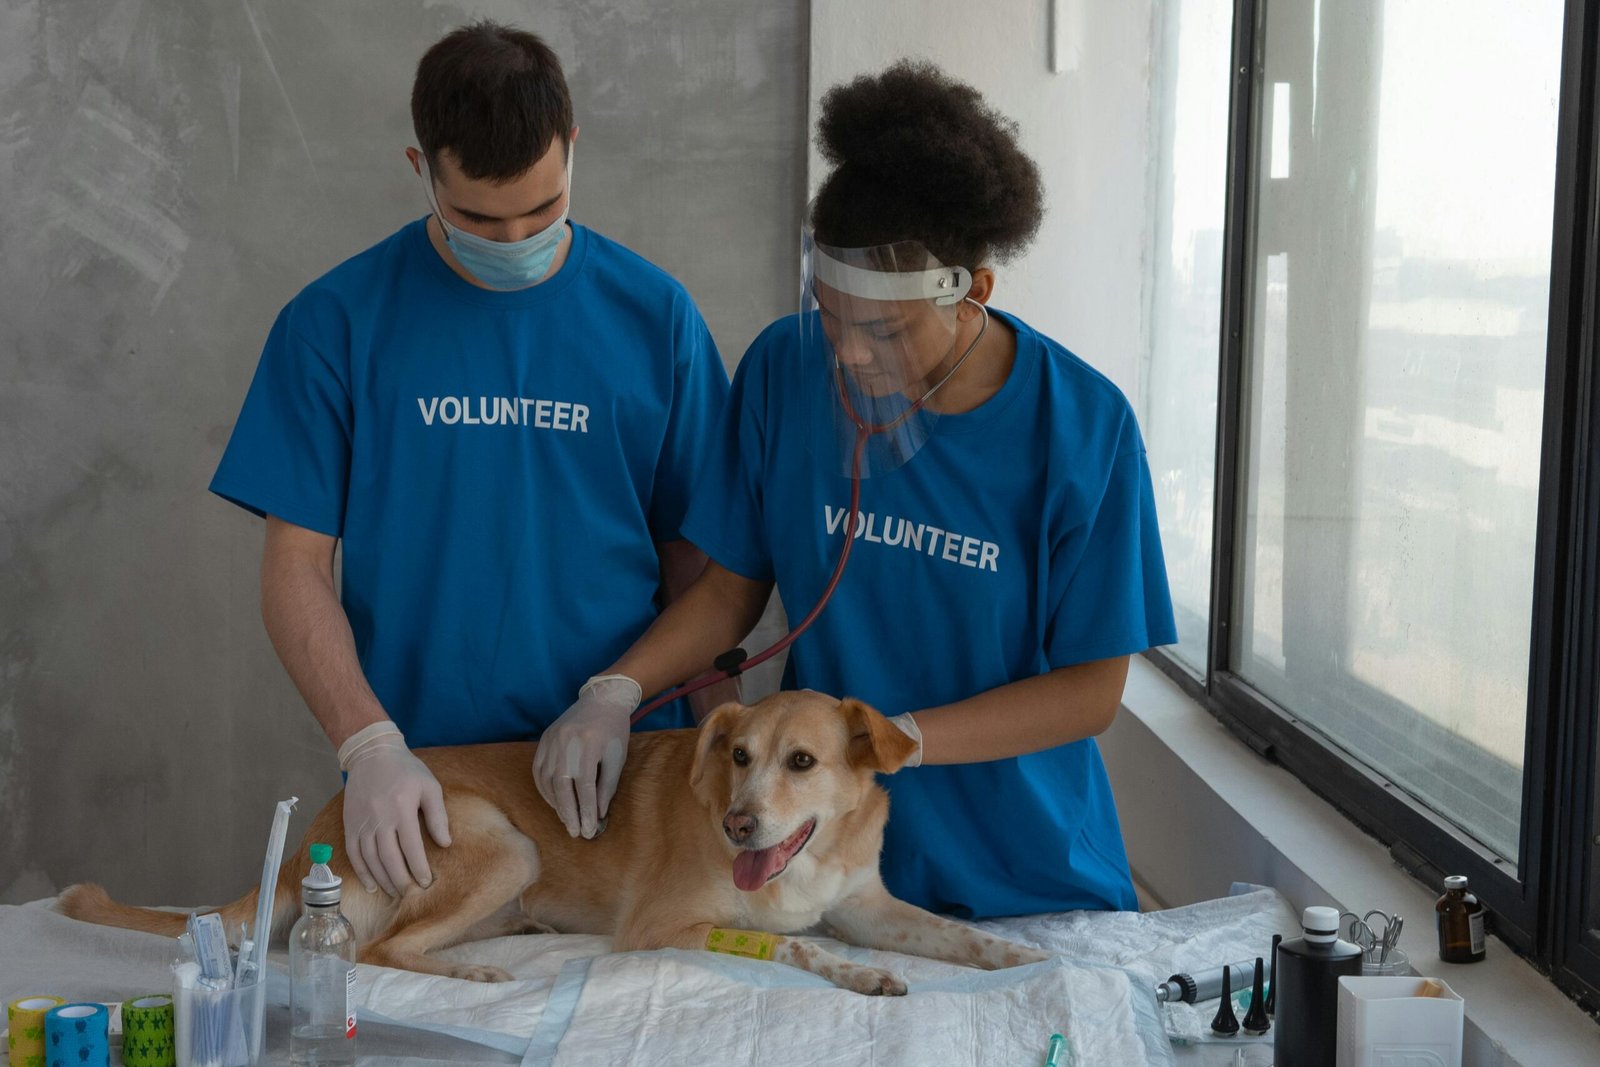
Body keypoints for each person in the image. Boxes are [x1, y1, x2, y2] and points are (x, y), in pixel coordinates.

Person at [541, 60, 1176, 919]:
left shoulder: (1083, 430)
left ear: (971, 292)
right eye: (830, 317)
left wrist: (906, 742)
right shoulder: (783, 371)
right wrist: (614, 689)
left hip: (1026, 869)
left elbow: (1092, 690)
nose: (847, 356)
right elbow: (730, 590)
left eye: (882, 330)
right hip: (826, 868)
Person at [210, 22, 730, 900]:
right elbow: (295, 567)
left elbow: (704, 570)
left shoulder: (657, 319)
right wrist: (366, 743)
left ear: (572, 147)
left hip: (628, 778)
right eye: (480, 218)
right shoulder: (335, 324)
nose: (516, 234)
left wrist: (709, 747)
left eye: (542, 206)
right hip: (434, 793)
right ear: (422, 169)